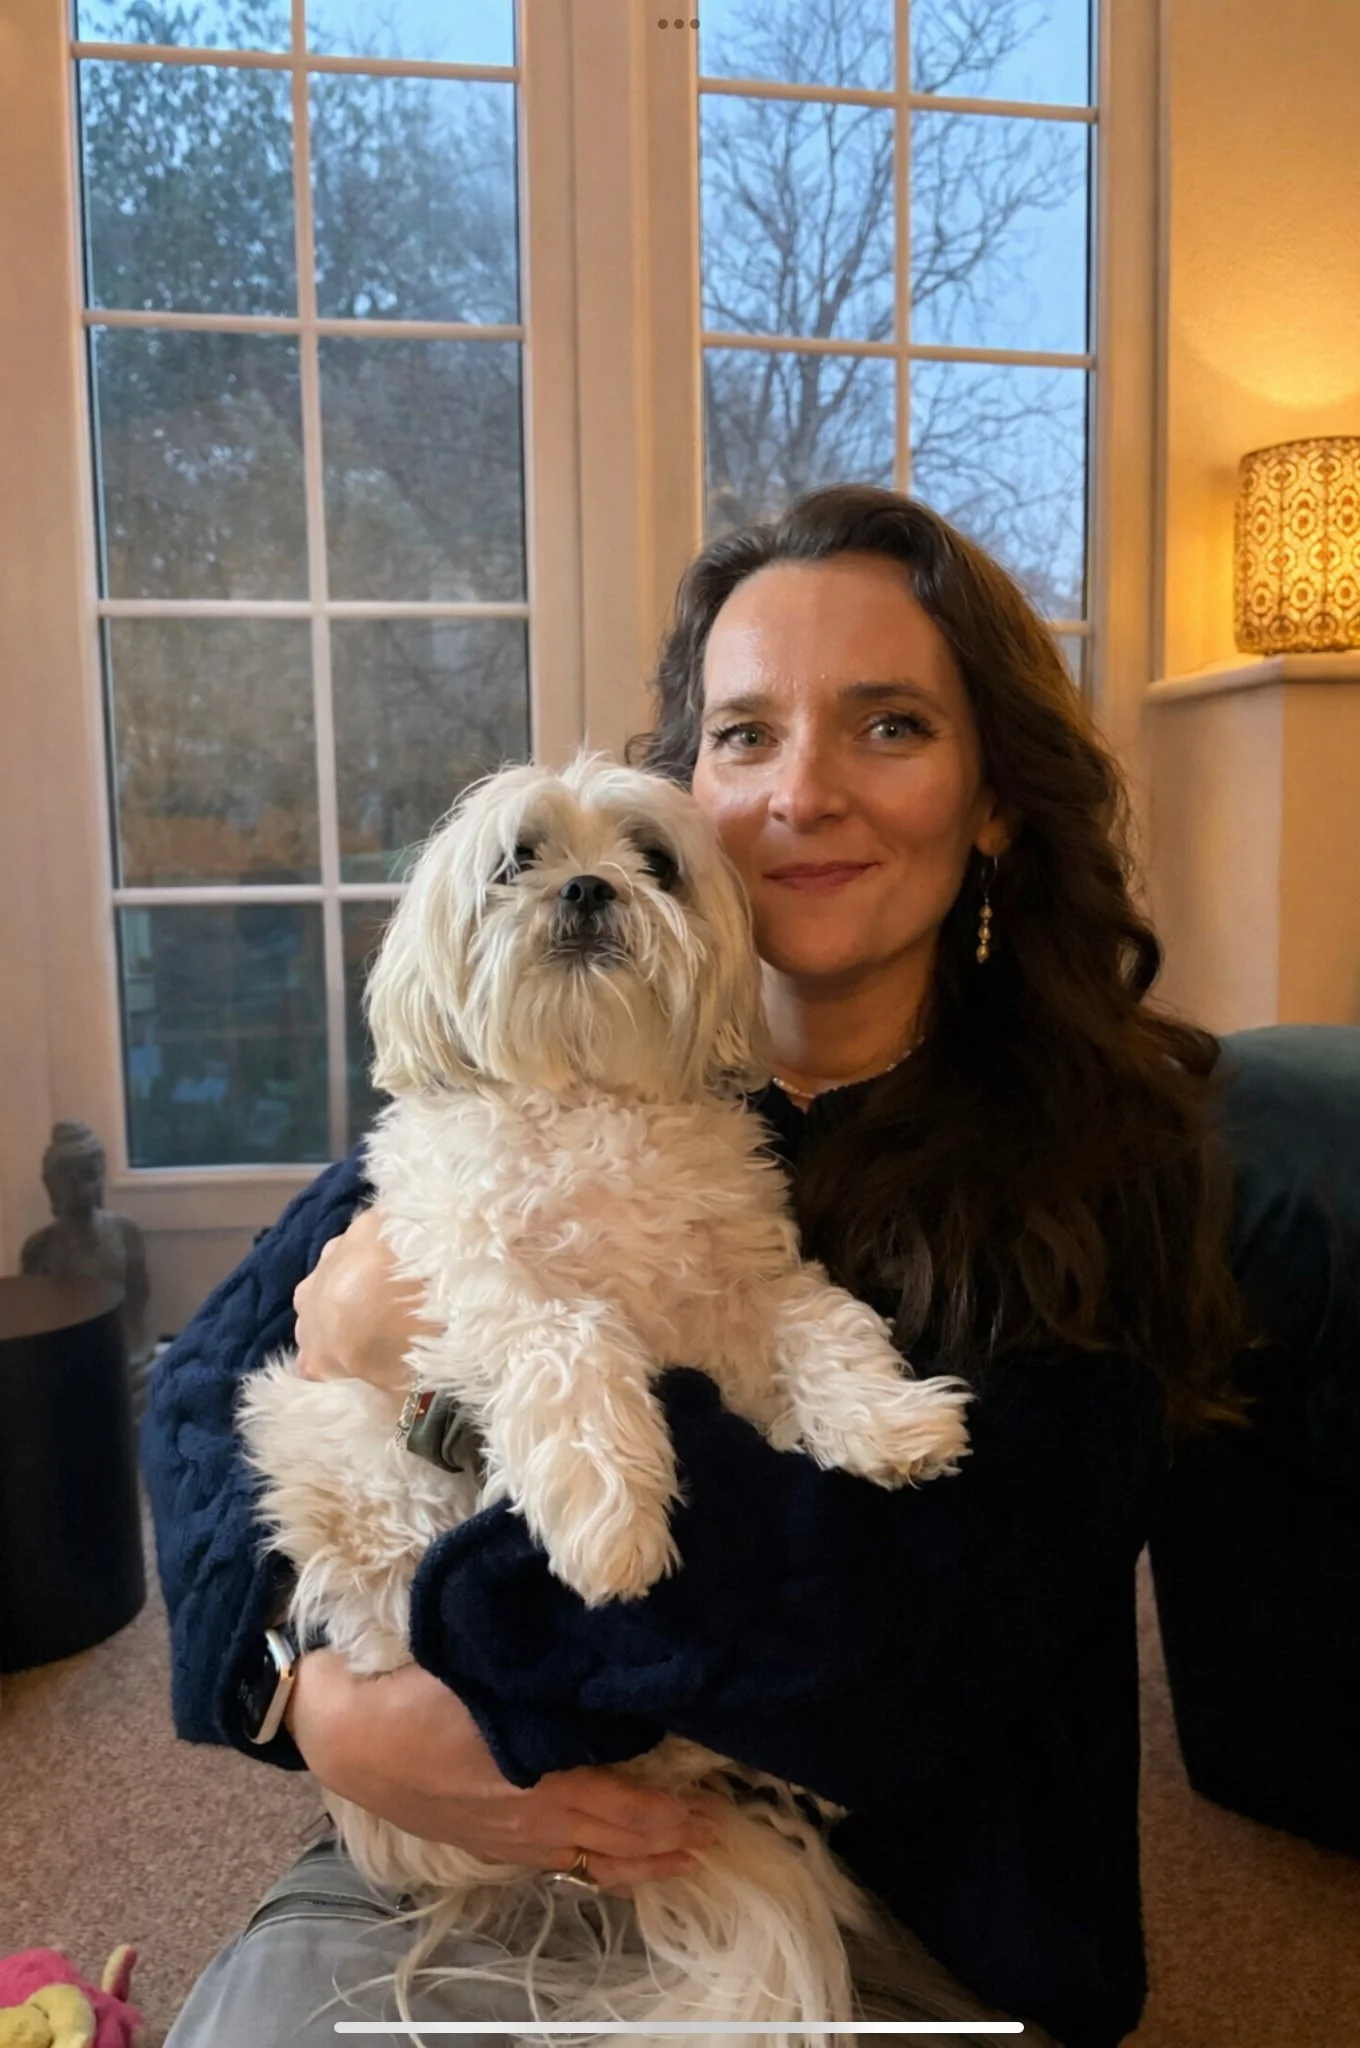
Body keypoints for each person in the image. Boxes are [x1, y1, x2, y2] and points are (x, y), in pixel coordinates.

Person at [143, 485, 1256, 2048]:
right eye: (743, 735)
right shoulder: (532, 1084)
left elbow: (894, 1654)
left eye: (887, 727)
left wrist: (439, 1417)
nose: (802, 791)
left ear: (996, 796)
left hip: (900, 1913)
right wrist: (302, 1694)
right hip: (471, 1855)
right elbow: (201, 1399)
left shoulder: (1101, 1167)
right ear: (692, 784)